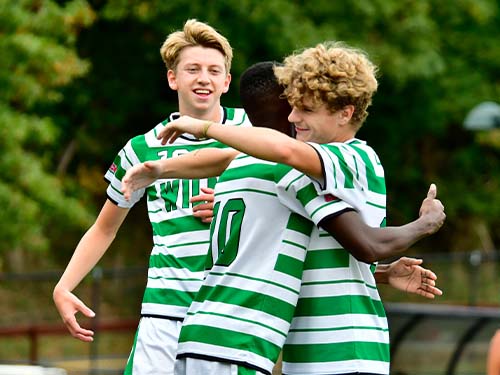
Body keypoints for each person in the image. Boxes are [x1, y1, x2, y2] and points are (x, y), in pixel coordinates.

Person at [122, 58, 444, 374]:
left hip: (344, 348)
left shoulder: (343, 158)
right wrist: (423, 225)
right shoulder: (294, 171)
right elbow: (362, 245)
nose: (294, 116)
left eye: (305, 109)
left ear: (345, 113)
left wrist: (168, 162)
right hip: (275, 347)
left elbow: (242, 157)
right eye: (292, 107)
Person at [52, 19, 251, 375]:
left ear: (226, 81)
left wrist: (236, 199)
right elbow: (105, 229)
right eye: (192, 69)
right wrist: (64, 286)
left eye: (213, 70)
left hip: (231, 310)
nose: (203, 78)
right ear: (173, 78)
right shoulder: (141, 148)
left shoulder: (254, 134)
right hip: (164, 311)